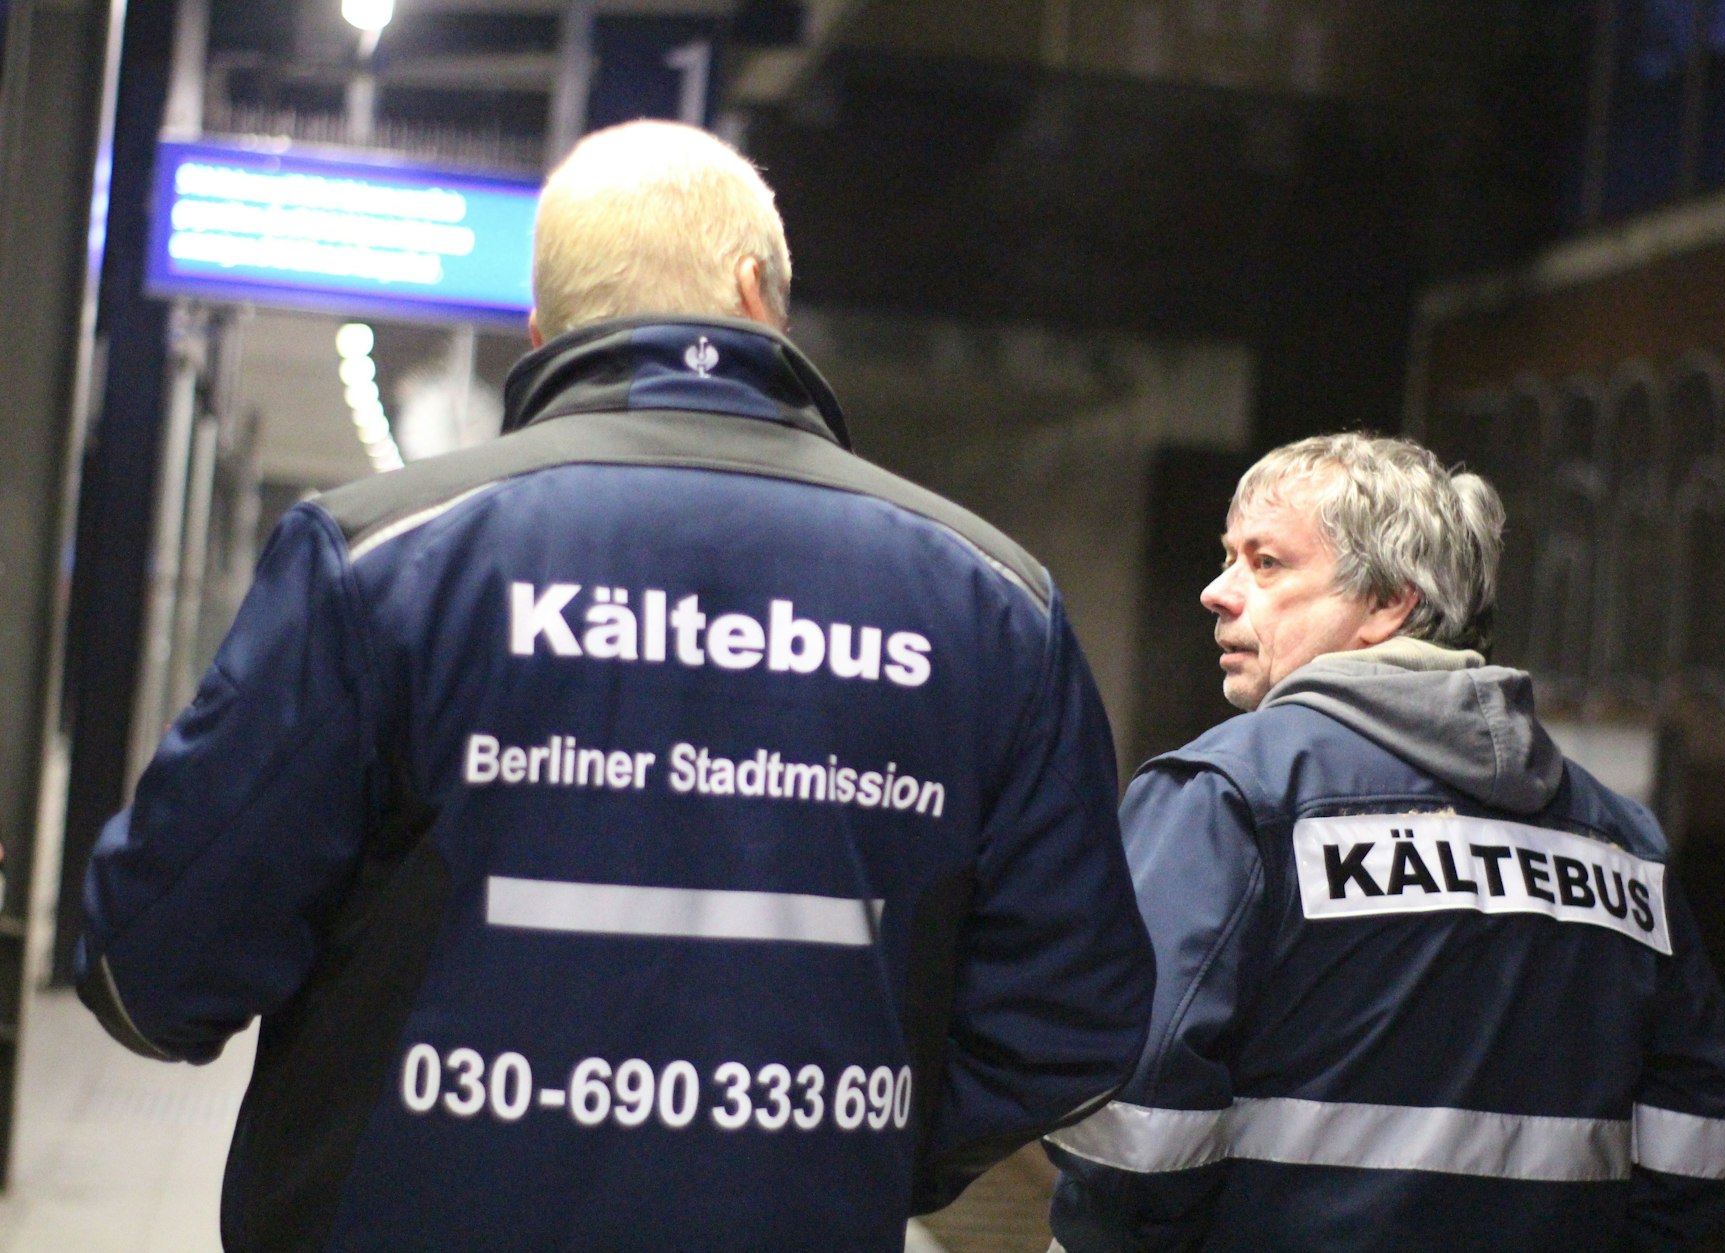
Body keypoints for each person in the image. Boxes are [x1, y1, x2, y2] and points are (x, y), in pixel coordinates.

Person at [77, 120, 1154, 1251]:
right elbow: (1070, 1017)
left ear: (544, 330)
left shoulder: (382, 558)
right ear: (755, 290)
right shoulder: (990, 603)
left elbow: (154, 967)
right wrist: (851, 1140)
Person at [1046, 433, 1725, 1252]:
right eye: (1227, 558)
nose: (1217, 591)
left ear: (1386, 601)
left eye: (1266, 563)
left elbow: (1132, 1124)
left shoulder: (1229, 796)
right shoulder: (1622, 839)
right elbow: (1705, 1136)